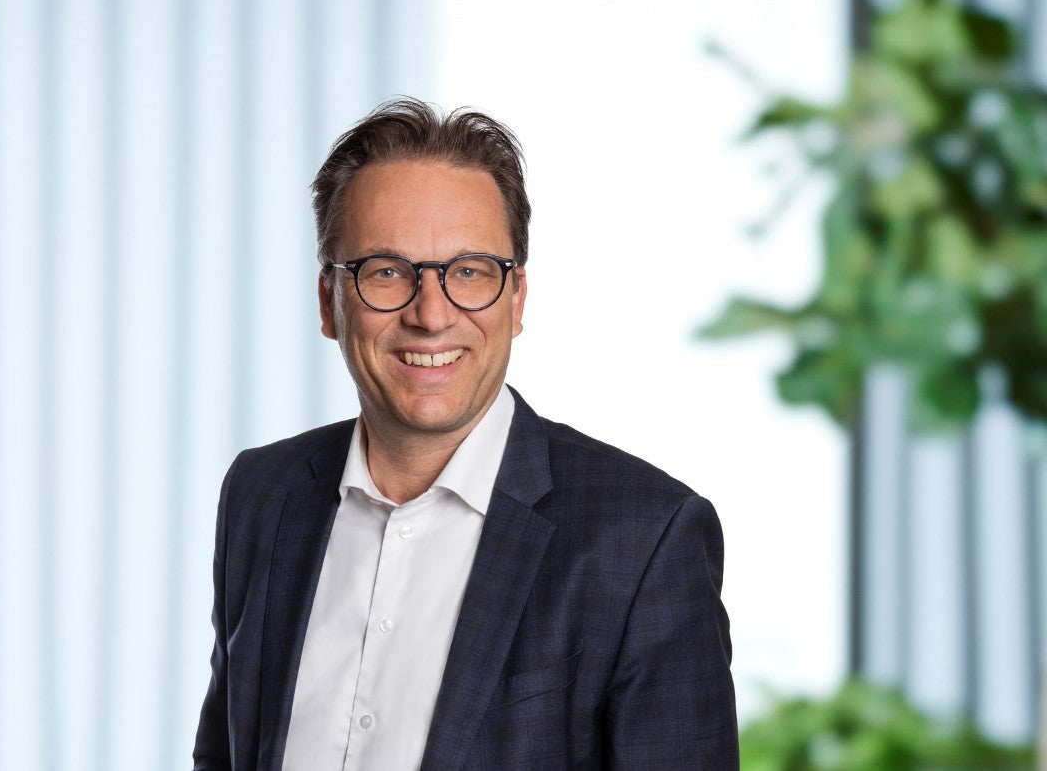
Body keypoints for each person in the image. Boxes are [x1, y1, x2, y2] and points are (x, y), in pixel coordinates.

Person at [193, 98, 737, 769]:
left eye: (470, 272)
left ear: (517, 298)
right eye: (385, 271)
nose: (431, 314)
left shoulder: (644, 540)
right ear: (329, 302)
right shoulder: (261, 496)